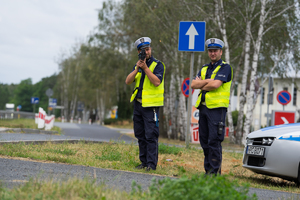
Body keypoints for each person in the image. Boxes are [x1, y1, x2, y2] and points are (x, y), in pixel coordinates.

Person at [191, 38, 233, 175]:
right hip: (203, 108)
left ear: (221, 52)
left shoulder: (225, 67)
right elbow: (193, 84)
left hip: (217, 110)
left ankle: (215, 173)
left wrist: (203, 83)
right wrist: (208, 81)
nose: (213, 53)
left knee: (214, 141)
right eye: (210, 51)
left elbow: (216, 85)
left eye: (215, 51)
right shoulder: (204, 68)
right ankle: (208, 171)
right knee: (204, 141)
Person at [125, 37, 165, 171]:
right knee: (140, 135)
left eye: (148, 49)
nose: (146, 52)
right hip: (138, 105)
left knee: (151, 136)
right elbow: (128, 81)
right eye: (143, 50)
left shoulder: (158, 65)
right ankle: (143, 162)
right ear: (138, 52)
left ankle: (151, 164)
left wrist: (145, 68)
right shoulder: (137, 65)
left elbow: (156, 82)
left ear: (150, 49)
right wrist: (137, 68)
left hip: (151, 106)